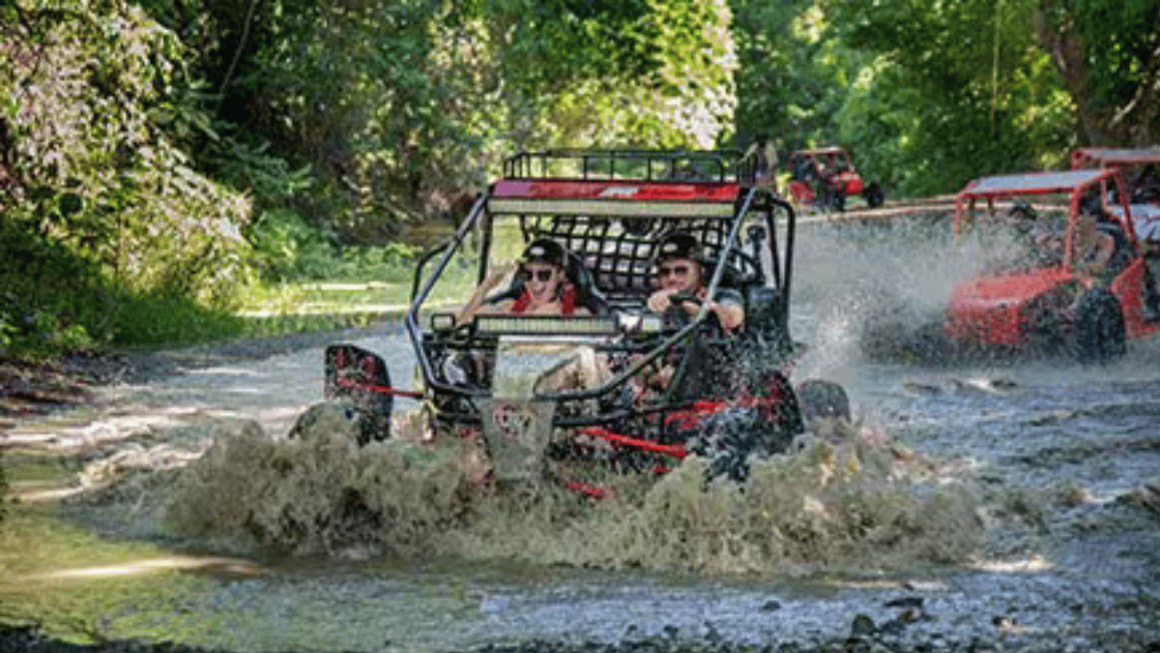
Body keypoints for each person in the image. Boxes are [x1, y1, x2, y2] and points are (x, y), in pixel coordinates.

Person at [457, 238, 588, 323]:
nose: (534, 281)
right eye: (528, 274)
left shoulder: (573, 316)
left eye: (543, 275)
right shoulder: (511, 308)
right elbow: (462, 327)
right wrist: (485, 288)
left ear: (560, 275)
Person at [645, 231, 744, 333]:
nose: (672, 278)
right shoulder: (652, 298)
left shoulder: (720, 294)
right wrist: (651, 311)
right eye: (665, 272)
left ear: (700, 271)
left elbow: (734, 320)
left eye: (681, 271)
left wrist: (686, 304)